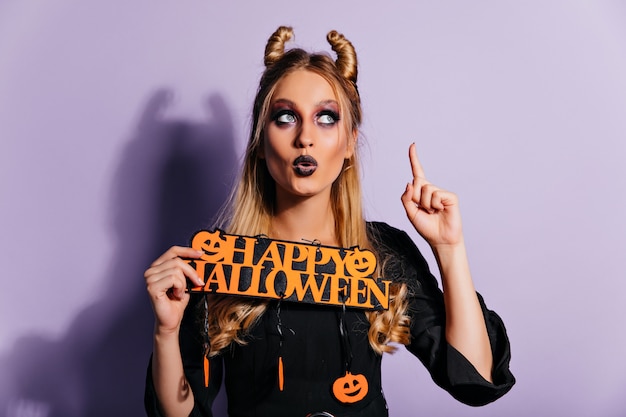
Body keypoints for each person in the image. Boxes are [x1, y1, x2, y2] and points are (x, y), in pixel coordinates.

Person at [143, 26, 515, 417]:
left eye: (325, 118)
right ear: (260, 140)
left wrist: (449, 249)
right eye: (286, 117)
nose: (305, 137)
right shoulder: (219, 258)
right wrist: (165, 332)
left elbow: (476, 379)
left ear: (350, 141)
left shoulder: (384, 254)